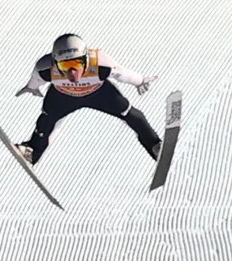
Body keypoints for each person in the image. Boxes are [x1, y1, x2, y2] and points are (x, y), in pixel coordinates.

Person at [14, 33, 161, 165]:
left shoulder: (100, 63)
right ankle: (32, 151)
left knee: (130, 114)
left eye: (77, 63)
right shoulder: (45, 68)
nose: (72, 72)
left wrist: (139, 80)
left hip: (99, 94)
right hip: (63, 97)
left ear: (86, 59)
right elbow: (36, 79)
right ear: (55, 63)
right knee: (47, 121)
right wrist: (31, 87)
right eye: (65, 65)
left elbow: (121, 73)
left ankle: (155, 145)